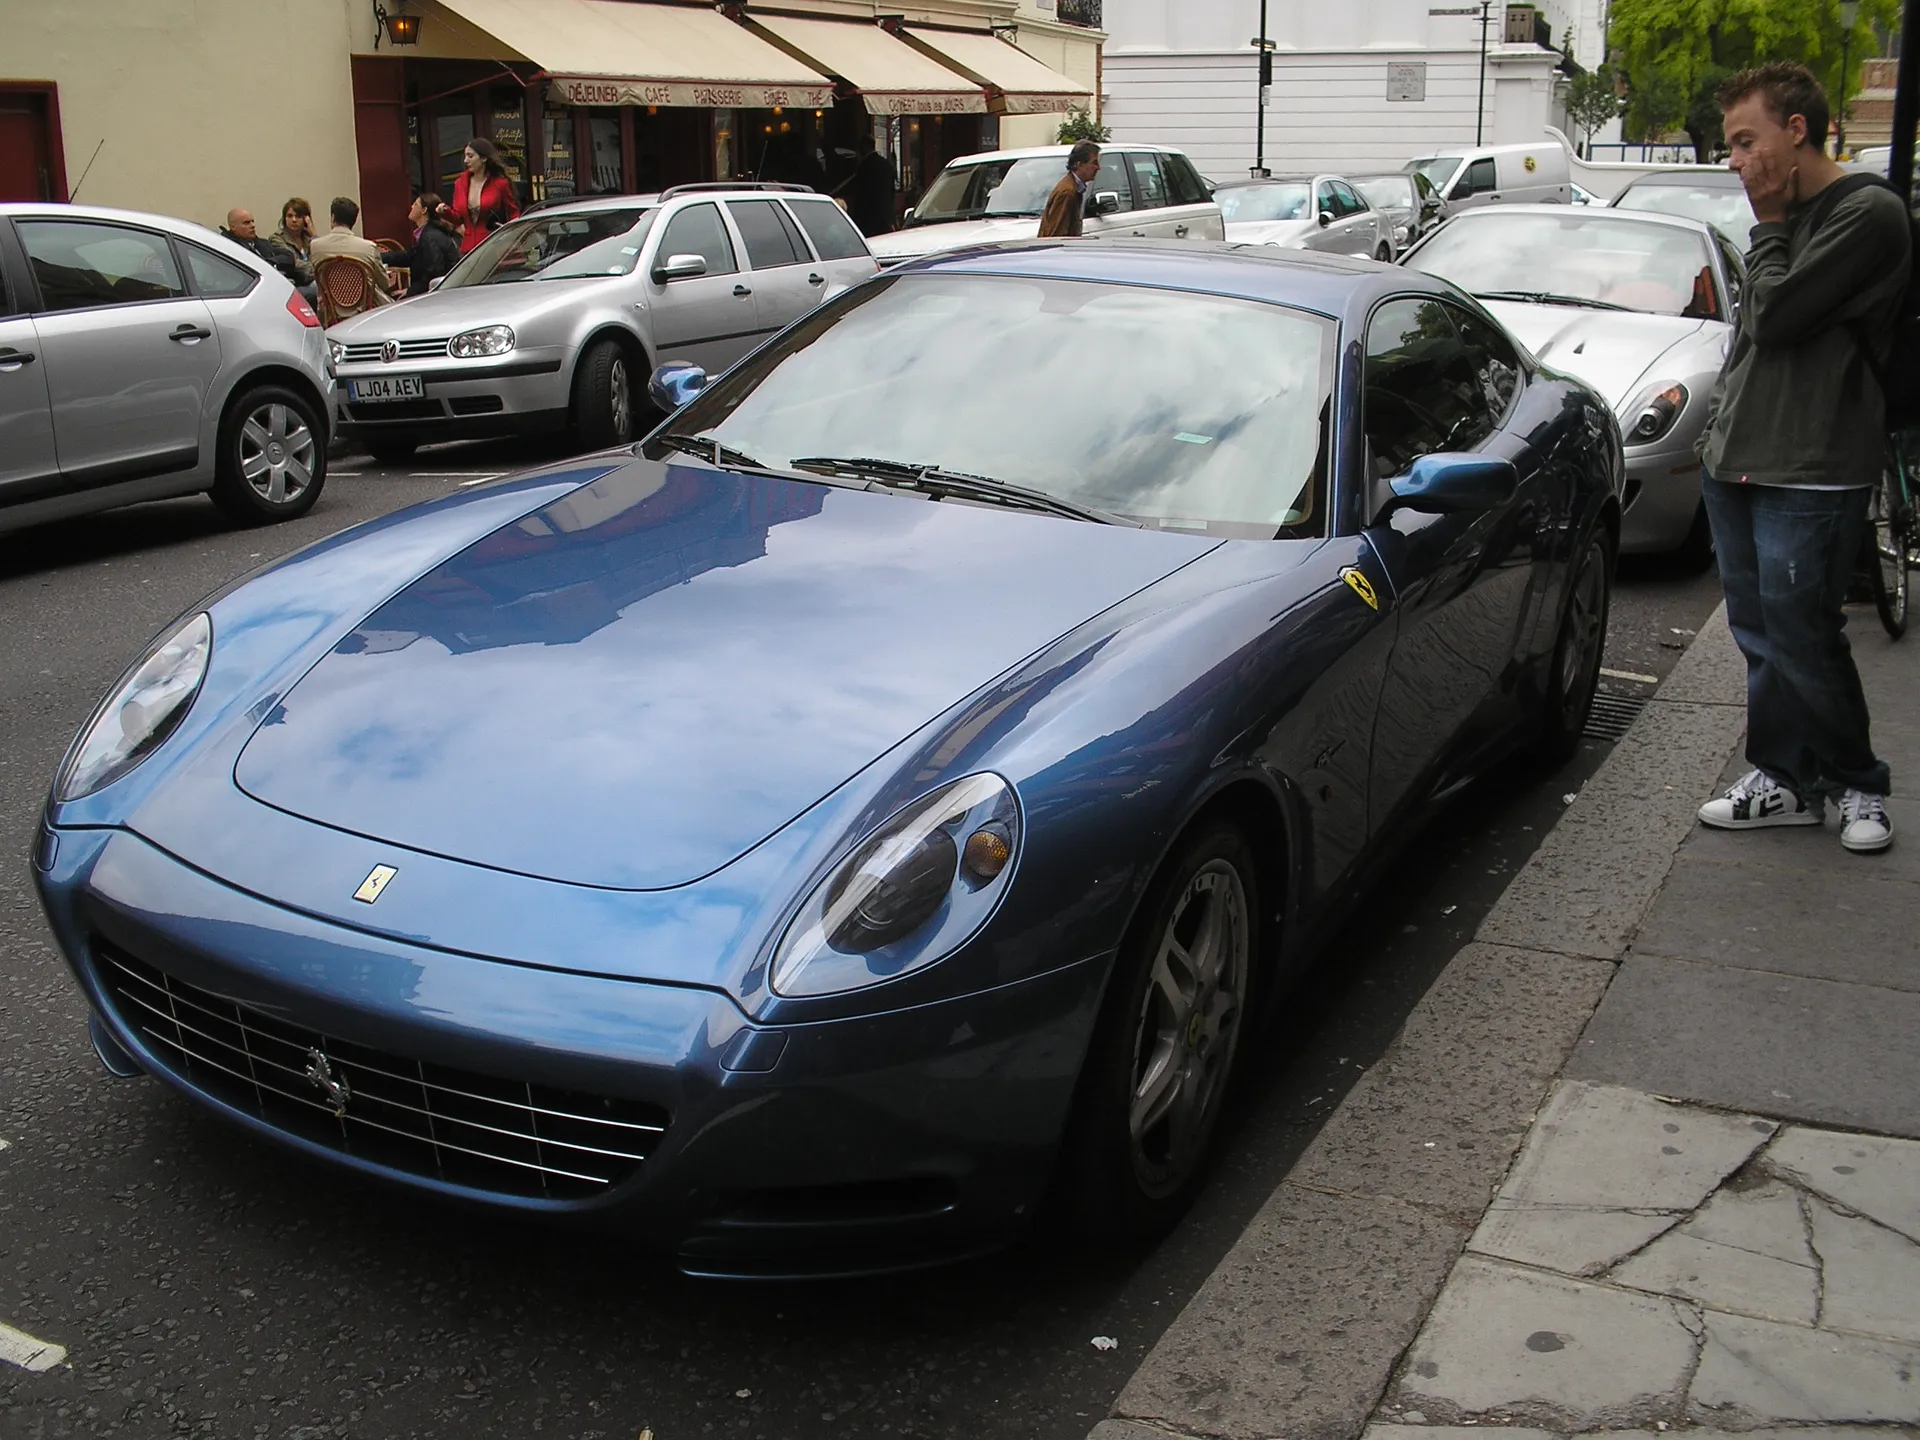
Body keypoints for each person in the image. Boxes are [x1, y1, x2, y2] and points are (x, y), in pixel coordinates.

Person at [1694, 61, 1909, 853]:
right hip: (1740, 457)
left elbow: (1780, 315)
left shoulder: (1867, 215)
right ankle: (1783, 778)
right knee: (1760, 633)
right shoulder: (1786, 218)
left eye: (1747, 141)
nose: (1737, 161)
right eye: (1730, 146)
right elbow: (1753, 337)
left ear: (1797, 130)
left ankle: (1858, 782)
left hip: (1813, 463)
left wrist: (1769, 224)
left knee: (1804, 633)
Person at [307, 196, 393, 302]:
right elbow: (384, 284)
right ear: (353, 221)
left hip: (330, 311)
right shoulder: (368, 248)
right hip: (365, 309)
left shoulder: (315, 246)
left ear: (333, 217)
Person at [446, 137, 519, 255]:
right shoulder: (460, 183)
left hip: (492, 245)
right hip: (468, 249)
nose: (465, 160)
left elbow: (513, 213)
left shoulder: (500, 184)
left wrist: (512, 236)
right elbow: (458, 218)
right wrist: (444, 211)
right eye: (465, 156)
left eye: (470, 156)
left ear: (484, 158)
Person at [220, 207, 311, 289]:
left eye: (252, 221)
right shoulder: (232, 248)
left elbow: (288, 256)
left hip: (284, 283)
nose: (252, 225)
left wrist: (269, 263)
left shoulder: (261, 243)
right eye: (246, 223)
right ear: (233, 227)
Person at [389, 192, 461, 292]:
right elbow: (411, 255)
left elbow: (433, 274)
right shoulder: (428, 232)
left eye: (415, 204)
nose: (411, 206)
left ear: (424, 210)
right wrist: (380, 256)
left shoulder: (430, 237)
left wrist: (410, 292)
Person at [1039, 141, 1101, 239]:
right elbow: (1057, 235)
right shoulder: (1067, 193)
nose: (1098, 168)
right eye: (1094, 163)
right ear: (1079, 164)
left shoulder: (1072, 188)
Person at [848, 133, 895, 237]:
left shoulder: (865, 166)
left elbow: (861, 193)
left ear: (864, 147)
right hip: (885, 214)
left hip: (869, 216)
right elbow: (891, 191)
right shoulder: (886, 164)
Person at [272, 197, 314, 263]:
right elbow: (294, 263)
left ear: (306, 219)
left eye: (298, 216)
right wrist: (316, 269)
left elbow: (322, 258)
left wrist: (313, 233)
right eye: (290, 216)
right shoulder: (277, 238)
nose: (294, 220)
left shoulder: (308, 237)